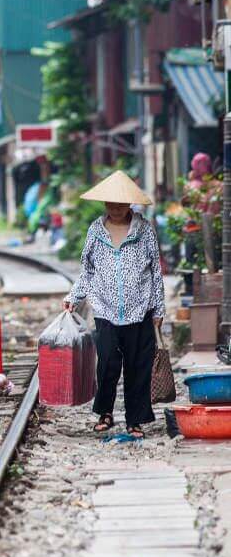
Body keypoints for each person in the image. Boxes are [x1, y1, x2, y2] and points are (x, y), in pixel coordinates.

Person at [63, 170, 164, 440]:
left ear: (130, 203)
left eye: (120, 204)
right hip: (106, 309)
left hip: (140, 309)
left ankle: (135, 419)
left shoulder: (144, 231)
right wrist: (74, 297)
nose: (115, 209)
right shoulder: (95, 231)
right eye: (110, 204)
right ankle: (105, 412)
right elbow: (88, 270)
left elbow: (155, 270)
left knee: (138, 365)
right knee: (107, 361)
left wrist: (159, 309)